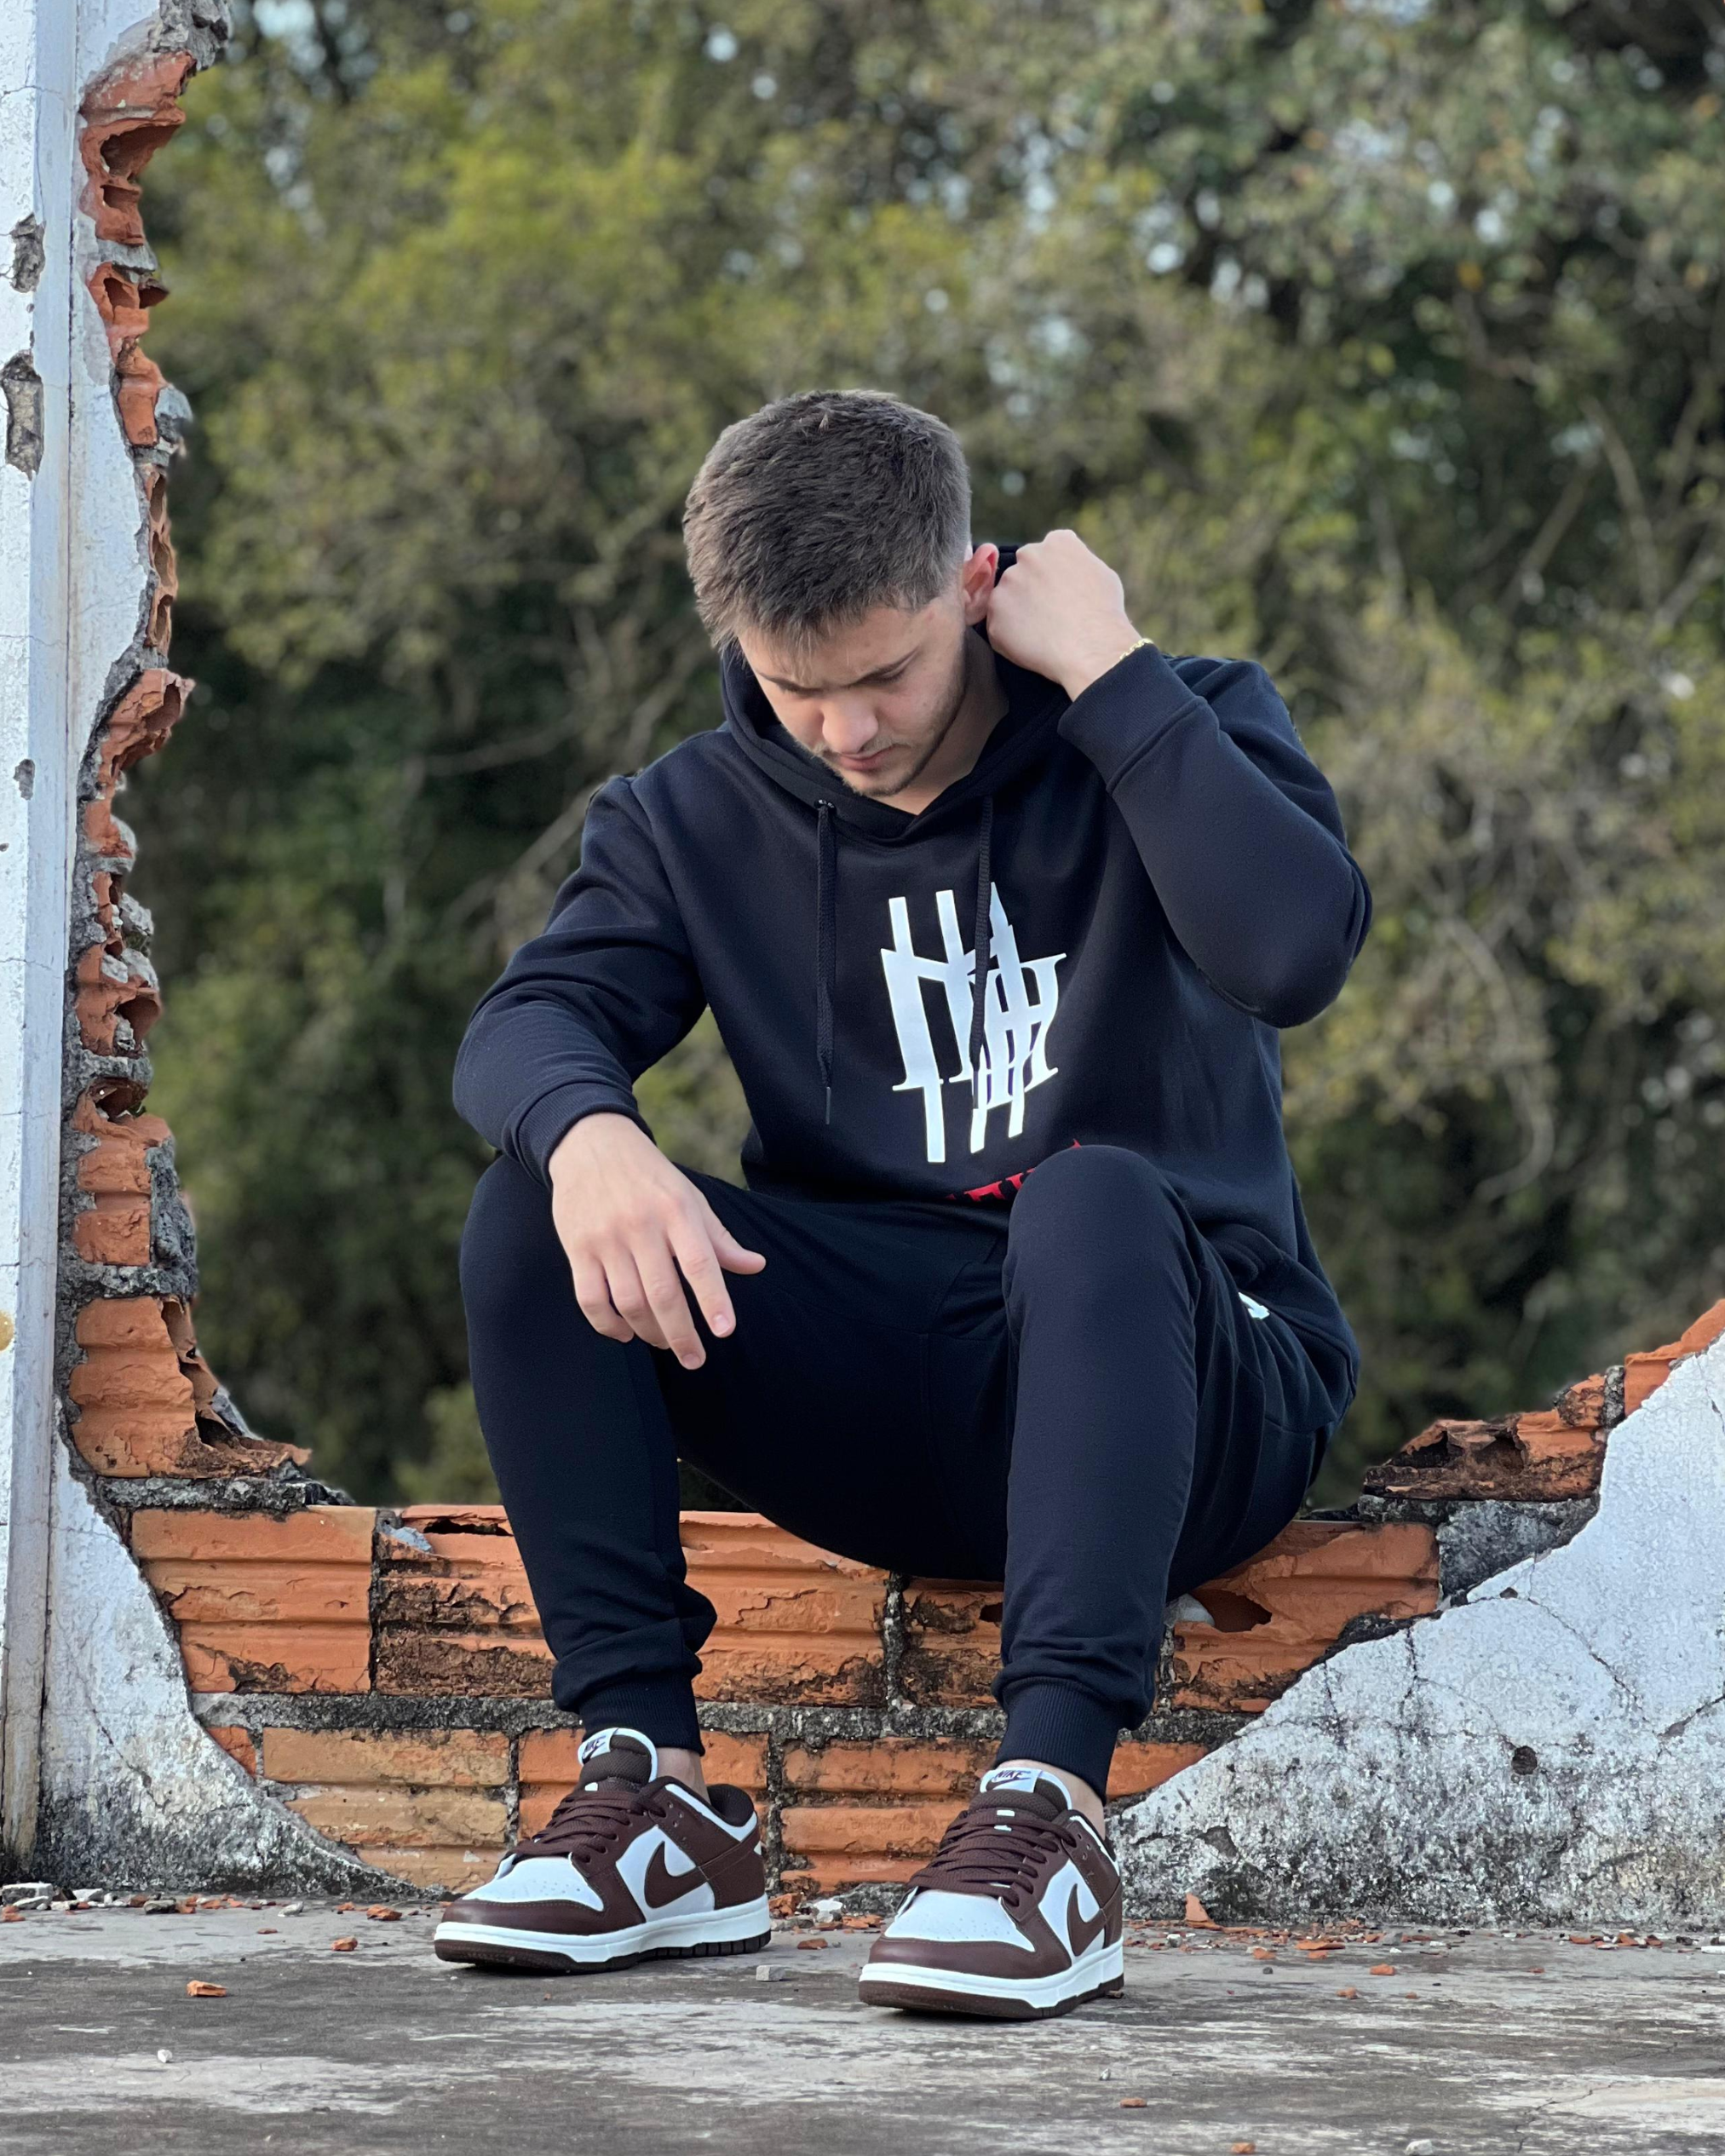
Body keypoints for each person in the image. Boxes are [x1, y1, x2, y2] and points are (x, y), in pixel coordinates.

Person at [432, 388, 1371, 2020]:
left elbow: (1292, 952)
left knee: (1089, 1199)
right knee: (534, 1203)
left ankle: (1050, 1816)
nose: (848, 731)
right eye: (801, 691)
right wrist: (589, 1138)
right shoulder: (688, 816)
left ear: (974, 585)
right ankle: (650, 1794)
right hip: (898, 1393)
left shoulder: (1176, 720)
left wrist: (1114, 672)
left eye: (886, 677)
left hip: (1187, 1377)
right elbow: (524, 1025)